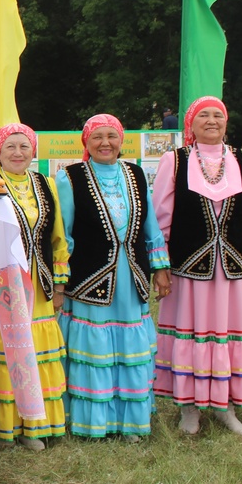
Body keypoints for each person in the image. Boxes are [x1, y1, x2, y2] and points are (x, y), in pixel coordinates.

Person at [152, 97, 242, 436]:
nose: (212, 120)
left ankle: (226, 407)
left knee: (229, 335)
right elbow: (161, 216)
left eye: (218, 115)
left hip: (235, 267)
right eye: (203, 115)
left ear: (226, 122)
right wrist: (160, 265)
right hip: (188, 268)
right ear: (190, 124)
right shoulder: (174, 161)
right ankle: (189, 409)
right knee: (191, 333)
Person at [56, 114, 171, 441]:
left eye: (112, 136)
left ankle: (130, 421)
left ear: (121, 141)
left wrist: (161, 268)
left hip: (131, 277)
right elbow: (63, 234)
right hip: (89, 278)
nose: (105, 143)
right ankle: (92, 422)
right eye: (97, 137)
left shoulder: (136, 173)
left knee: (129, 347)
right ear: (86, 142)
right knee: (94, 350)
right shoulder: (69, 177)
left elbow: (150, 225)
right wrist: (60, 279)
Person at [0, 124, 70, 449]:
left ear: (33, 151)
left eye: (24, 146)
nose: (18, 153)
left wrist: (59, 286)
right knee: (6, 352)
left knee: (34, 353)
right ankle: (2, 428)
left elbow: (57, 237)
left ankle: (34, 426)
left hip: (38, 286)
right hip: (0, 289)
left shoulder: (45, 184)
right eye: (10, 147)